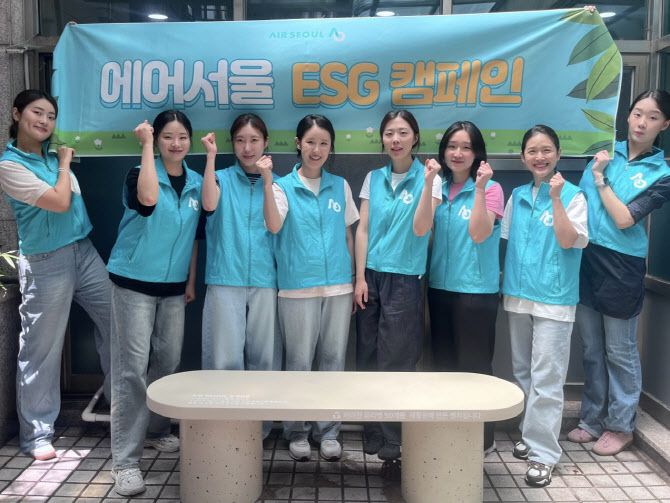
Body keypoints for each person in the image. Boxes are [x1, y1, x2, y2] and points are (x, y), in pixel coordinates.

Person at [0, 89, 111, 461]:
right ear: (17, 114)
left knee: (117, 323)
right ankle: (36, 435)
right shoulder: (9, 165)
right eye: (37, 112)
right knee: (41, 348)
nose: (45, 121)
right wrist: (64, 164)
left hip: (83, 250)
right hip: (46, 260)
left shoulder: (51, 155)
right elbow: (60, 202)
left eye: (50, 116)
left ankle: (121, 407)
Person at [568, 90, 670, 455]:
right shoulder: (604, 153)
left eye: (653, 117)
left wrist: (600, 179)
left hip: (622, 266)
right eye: (637, 113)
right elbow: (579, 204)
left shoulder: (663, 174)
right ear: (627, 116)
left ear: (665, 125)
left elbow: (626, 218)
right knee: (592, 349)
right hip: (587, 258)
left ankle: (621, 425)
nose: (642, 123)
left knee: (620, 350)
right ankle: (592, 419)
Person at [107, 110, 202, 496]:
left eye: (182, 137)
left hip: (174, 288)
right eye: (167, 137)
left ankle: (158, 430)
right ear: (156, 140)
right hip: (133, 283)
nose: (176, 144)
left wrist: (190, 280)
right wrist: (145, 147)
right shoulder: (139, 173)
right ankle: (125, 462)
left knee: (168, 362)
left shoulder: (196, 182)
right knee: (131, 371)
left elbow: (194, 237)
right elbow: (147, 201)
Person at [261, 114, 358, 462]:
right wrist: (268, 181)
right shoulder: (282, 187)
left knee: (333, 361)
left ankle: (328, 431)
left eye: (324, 143)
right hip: (297, 287)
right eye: (311, 142)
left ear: (331, 148)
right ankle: (297, 431)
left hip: (338, 288)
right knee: (299, 362)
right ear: (298, 144)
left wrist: (351, 279)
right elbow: (274, 226)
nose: (317, 150)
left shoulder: (340, 185)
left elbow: (348, 235)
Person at [501, 125, 588, 487]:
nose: (540, 157)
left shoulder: (574, 196)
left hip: (554, 298)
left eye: (547, 150)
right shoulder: (517, 196)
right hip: (519, 295)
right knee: (523, 371)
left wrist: (556, 199)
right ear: (523, 158)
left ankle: (544, 454)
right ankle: (529, 433)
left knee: (547, 378)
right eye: (533, 151)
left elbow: (569, 241)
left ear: (558, 154)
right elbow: (506, 241)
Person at [354, 110, 441, 461]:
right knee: (367, 353)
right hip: (370, 276)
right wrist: (360, 276)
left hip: (405, 277)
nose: (395, 140)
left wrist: (429, 183)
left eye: (403, 133)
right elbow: (362, 229)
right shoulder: (373, 178)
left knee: (397, 358)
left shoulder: (429, 177)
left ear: (415, 138)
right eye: (389, 133)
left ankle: (393, 433)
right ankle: (371, 429)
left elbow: (421, 228)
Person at [200, 114, 280, 438]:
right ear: (231, 144)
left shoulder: (278, 183)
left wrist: (267, 179)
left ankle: (260, 430)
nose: (247, 148)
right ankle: (225, 428)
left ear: (266, 142)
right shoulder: (219, 178)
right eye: (240, 141)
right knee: (224, 359)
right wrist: (210, 157)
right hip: (225, 276)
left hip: (265, 279)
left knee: (265, 359)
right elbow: (208, 204)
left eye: (254, 140)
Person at [427, 121, 504, 454]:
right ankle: (450, 433)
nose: (457, 153)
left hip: (475, 292)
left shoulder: (492, 189)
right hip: (439, 288)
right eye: (452, 146)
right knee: (443, 365)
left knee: (474, 367)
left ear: (477, 153)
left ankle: (482, 439)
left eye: (466, 147)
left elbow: (479, 233)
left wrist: (479, 189)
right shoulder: (437, 187)